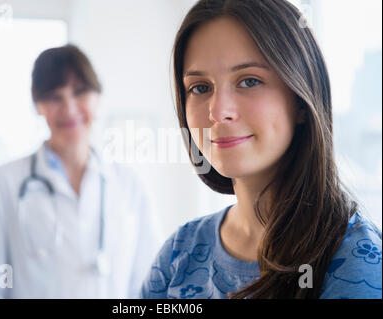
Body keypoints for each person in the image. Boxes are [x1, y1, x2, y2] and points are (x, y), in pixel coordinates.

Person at [141, 0, 382, 299]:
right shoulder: (178, 253)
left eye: (249, 81)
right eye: (200, 88)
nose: (218, 111)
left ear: (301, 101)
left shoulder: (356, 263)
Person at [0, 44, 162, 298]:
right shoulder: (0, 185)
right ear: (37, 104)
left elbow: (150, 285)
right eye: (54, 96)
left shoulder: (129, 184)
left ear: (97, 96)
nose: (69, 108)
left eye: (80, 92)